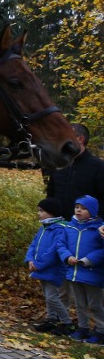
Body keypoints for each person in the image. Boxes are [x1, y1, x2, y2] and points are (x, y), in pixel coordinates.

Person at [56, 195, 104, 343]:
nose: (79, 210)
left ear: (93, 211)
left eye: (84, 208)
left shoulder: (99, 229)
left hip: (92, 273)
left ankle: (101, 330)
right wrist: (67, 256)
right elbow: (60, 244)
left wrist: (88, 260)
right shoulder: (69, 226)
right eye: (77, 207)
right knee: (80, 304)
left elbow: (102, 250)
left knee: (95, 304)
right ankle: (82, 328)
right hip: (73, 272)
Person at [25, 197, 72, 336]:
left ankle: (67, 322)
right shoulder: (44, 227)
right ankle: (51, 320)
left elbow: (54, 251)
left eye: (41, 211)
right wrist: (29, 260)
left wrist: (38, 264)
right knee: (47, 296)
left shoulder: (61, 228)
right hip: (40, 268)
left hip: (53, 269)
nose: (39, 214)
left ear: (51, 212)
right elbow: (33, 245)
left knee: (52, 297)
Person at [45, 123, 104, 221]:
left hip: (86, 228)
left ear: (80, 139)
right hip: (57, 226)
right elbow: (51, 194)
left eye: (65, 137)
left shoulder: (98, 166)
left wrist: (95, 224)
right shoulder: (59, 164)